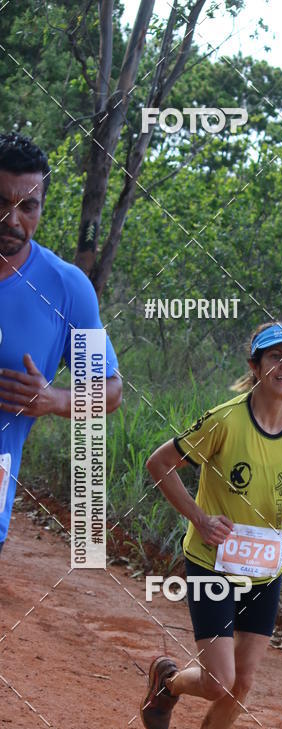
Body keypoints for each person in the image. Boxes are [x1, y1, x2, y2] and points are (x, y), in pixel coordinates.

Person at [141, 321, 282, 729]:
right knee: (219, 680)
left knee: (241, 681)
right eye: (276, 357)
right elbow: (158, 464)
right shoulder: (225, 420)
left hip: (265, 571)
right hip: (211, 564)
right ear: (256, 366)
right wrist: (201, 520)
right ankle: (168, 683)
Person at [0, 133, 122, 554]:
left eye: (27, 206)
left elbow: (110, 392)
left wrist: (54, 399)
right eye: (1, 202)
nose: (12, 220)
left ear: (42, 207)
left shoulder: (67, 288)